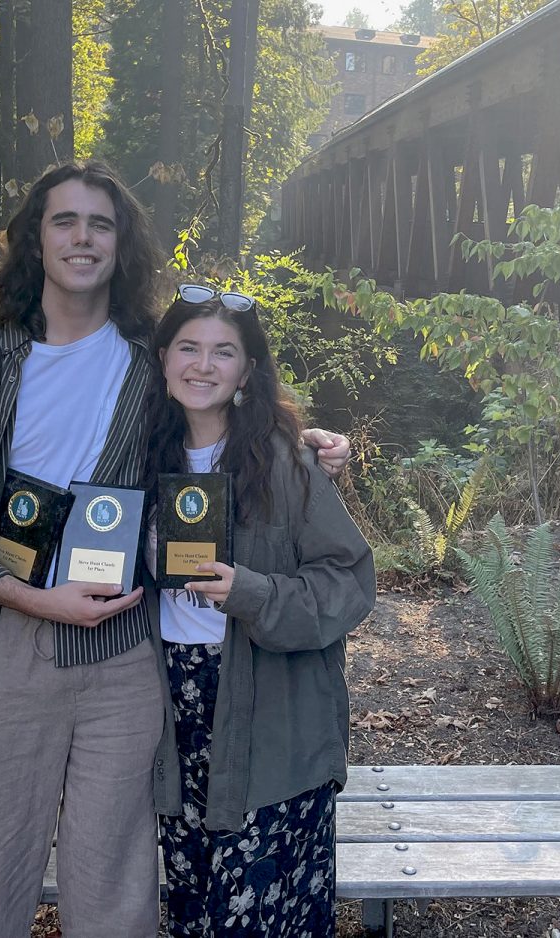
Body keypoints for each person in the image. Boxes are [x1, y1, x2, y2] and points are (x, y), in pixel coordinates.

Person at [0, 160, 349, 938]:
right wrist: (37, 599)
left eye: (100, 223)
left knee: (116, 890)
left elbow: (218, 416)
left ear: (121, 243)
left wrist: (297, 442)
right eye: (63, 220)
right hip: (2, 650)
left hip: (124, 654)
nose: (81, 237)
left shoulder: (152, 361)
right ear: (35, 240)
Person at [142, 286, 376, 937]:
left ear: (246, 372)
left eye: (224, 352)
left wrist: (249, 592)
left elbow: (347, 581)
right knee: (192, 909)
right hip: (172, 713)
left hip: (272, 721)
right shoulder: (136, 461)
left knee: (258, 917)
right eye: (189, 347)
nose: (203, 364)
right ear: (162, 358)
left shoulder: (286, 464)